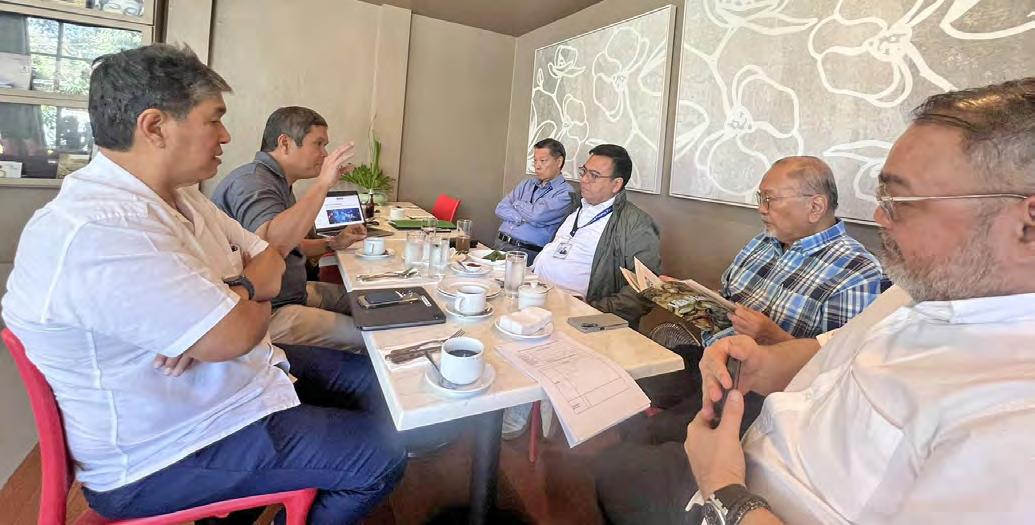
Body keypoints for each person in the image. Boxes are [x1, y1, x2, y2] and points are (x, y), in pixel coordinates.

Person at [598, 77, 1035, 524]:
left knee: (612, 472)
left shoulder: (1013, 417)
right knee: (619, 447)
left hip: (738, 500)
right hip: (748, 430)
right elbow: (834, 348)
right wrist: (762, 361)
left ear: (1028, 222)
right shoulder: (913, 293)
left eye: (901, 199)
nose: (879, 216)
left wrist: (724, 487)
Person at [1, 44, 405, 524]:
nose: (226, 135)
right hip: (167, 447)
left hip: (232, 379)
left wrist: (226, 304)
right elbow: (238, 327)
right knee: (382, 457)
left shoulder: (183, 198)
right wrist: (235, 303)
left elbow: (268, 255)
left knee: (379, 387)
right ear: (155, 126)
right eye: (214, 119)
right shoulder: (99, 228)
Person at [640, 156, 884, 408]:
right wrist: (686, 296)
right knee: (632, 389)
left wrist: (771, 336)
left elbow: (836, 371)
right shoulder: (762, 243)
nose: (761, 209)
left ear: (815, 207)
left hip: (769, 394)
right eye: (760, 198)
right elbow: (727, 302)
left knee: (647, 426)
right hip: (712, 358)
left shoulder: (856, 270)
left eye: (770, 199)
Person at [211, 106, 367, 350]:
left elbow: (288, 244)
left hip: (293, 293)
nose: (324, 154)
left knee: (368, 301)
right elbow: (271, 247)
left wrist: (332, 243)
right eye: (318, 144)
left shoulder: (277, 181)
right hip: (267, 310)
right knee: (371, 338)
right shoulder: (252, 182)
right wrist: (322, 184)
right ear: (284, 143)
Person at [533, 143, 660, 327]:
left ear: (616, 184)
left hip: (578, 317)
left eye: (594, 175)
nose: (584, 179)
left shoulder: (636, 224)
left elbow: (646, 288)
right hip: (536, 296)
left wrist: (592, 309)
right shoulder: (576, 205)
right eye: (584, 171)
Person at [494, 138, 576, 262]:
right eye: (535, 160)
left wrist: (516, 203)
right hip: (500, 242)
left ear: (559, 162)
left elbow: (537, 215)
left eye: (543, 161)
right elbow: (500, 208)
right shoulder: (527, 184)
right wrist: (521, 218)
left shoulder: (566, 193)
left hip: (526, 252)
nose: (537, 166)